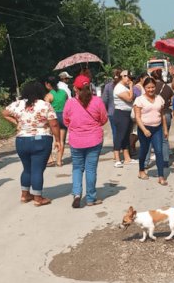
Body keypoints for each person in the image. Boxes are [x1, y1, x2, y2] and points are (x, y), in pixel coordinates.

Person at [2, 82, 61, 206]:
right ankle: (38, 198)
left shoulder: (18, 103)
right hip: (41, 139)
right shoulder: (45, 105)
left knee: (27, 169)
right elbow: (54, 124)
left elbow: (4, 113)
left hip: (22, 140)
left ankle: (25, 195)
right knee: (37, 170)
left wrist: (16, 122)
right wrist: (58, 140)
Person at [63, 75, 108, 208]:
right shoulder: (97, 101)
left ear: (75, 88)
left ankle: (77, 194)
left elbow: (66, 121)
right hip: (94, 139)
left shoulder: (70, 103)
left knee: (77, 168)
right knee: (91, 169)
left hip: (76, 140)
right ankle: (90, 198)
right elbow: (104, 119)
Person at [134, 77, 169, 186]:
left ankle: (161, 176)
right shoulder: (139, 100)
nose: (151, 89)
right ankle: (141, 170)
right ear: (144, 88)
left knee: (159, 151)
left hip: (157, 128)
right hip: (144, 129)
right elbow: (137, 117)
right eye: (148, 87)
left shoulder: (159, 99)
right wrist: (144, 129)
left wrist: (165, 129)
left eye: (153, 87)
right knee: (144, 150)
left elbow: (162, 114)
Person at [149, 68, 174, 167]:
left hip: (153, 114)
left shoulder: (151, 88)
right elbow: (173, 101)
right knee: (164, 138)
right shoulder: (167, 88)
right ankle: (165, 161)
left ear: (152, 77)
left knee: (150, 138)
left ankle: (147, 161)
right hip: (166, 112)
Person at [111, 70, 136, 167]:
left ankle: (127, 158)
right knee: (120, 136)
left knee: (126, 136)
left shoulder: (124, 87)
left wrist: (130, 87)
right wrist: (131, 87)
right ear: (122, 76)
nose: (129, 79)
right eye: (127, 77)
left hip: (127, 113)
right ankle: (117, 158)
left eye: (130, 77)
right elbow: (129, 98)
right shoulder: (119, 88)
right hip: (120, 113)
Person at [45, 76, 69, 167]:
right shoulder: (64, 93)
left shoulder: (49, 96)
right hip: (63, 116)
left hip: (53, 118)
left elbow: (46, 108)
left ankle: (50, 159)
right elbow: (67, 103)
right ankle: (59, 160)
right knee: (61, 140)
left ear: (48, 84)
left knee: (49, 139)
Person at [102, 68, 123, 146]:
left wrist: (106, 110)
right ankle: (125, 149)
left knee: (115, 132)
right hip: (123, 112)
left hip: (112, 112)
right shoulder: (124, 86)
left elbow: (104, 100)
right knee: (124, 131)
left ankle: (116, 150)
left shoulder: (108, 86)